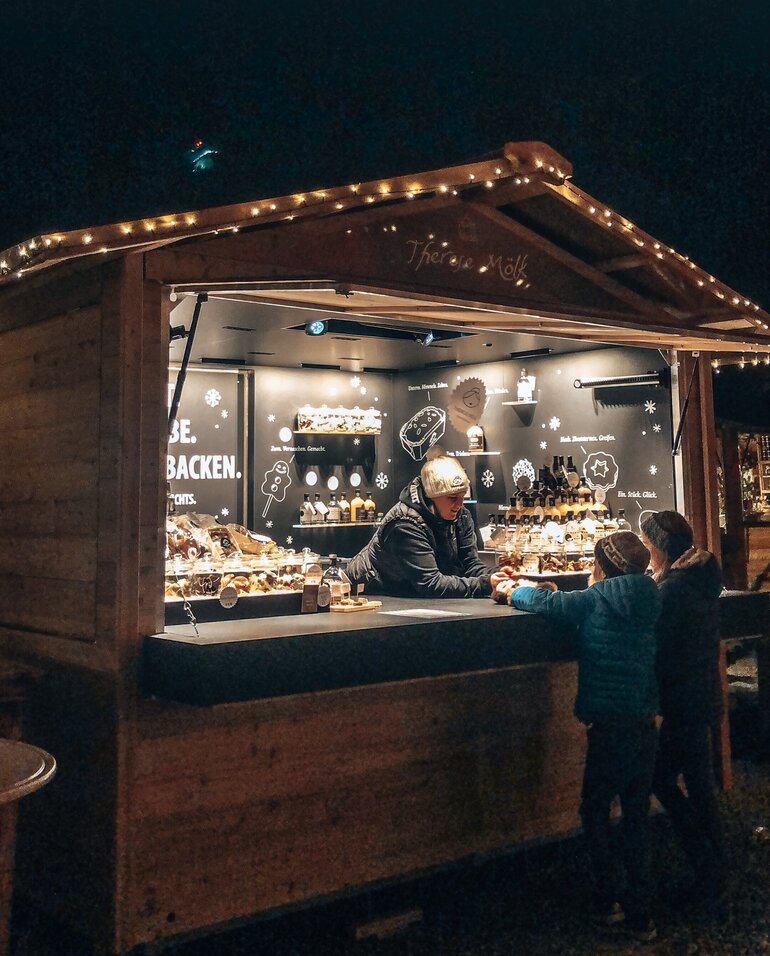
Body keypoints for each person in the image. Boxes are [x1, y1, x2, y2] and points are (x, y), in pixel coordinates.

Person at [493, 532, 661, 942]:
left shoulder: (596, 598)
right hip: (644, 722)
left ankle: (606, 899)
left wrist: (513, 591)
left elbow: (552, 604)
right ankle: (642, 913)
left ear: (605, 566)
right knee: (636, 817)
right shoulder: (652, 596)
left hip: (608, 726)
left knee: (594, 810)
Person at [640, 510, 726, 911]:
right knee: (701, 785)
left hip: (682, 702)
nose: (646, 551)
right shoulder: (701, 577)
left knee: (661, 779)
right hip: (702, 696)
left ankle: (707, 868)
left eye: (649, 544)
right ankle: (715, 870)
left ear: (659, 547)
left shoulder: (671, 591)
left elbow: (655, 645)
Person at [346, 456, 505, 598]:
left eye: (463, 496)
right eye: (452, 498)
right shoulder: (404, 523)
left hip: (405, 594)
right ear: (431, 497)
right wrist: (485, 584)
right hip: (367, 596)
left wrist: (497, 575)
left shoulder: (461, 516)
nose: (460, 504)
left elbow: (469, 565)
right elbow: (430, 584)